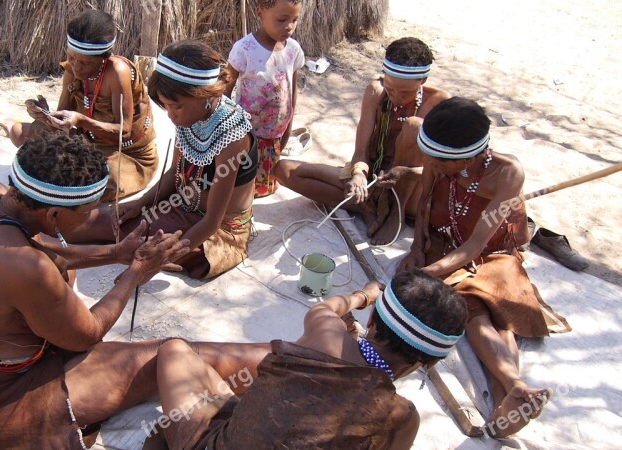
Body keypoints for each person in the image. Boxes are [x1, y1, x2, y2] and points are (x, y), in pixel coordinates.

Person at [0, 132, 270, 449]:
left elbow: (45, 249)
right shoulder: (27, 269)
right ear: (52, 216)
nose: (93, 220)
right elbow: (86, 336)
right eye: (87, 212)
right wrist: (134, 274)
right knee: (168, 356)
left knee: (64, 278)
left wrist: (115, 252)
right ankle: (287, 359)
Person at [397, 97, 571, 438]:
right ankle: (515, 388)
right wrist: (418, 248)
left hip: (493, 251)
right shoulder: (439, 155)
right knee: (472, 306)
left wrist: (425, 274)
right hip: (447, 243)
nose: (428, 162)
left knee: (499, 305)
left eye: (437, 159)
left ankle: (511, 392)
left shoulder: (508, 174)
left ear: (468, 157)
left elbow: (476, 246)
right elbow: (426, 202)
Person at [143, 269, 467, 450]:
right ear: (429, 363)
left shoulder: (325, 332)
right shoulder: (403, 417)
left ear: (371, 321)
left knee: (174, 350)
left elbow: (326, 308)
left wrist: (363, 295)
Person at [69, 40, 258, 280]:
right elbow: (173, 174)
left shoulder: (232, 134)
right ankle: (36, 242)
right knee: (106, 220)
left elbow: (212, 222)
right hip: (180, 204)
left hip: (218, 230)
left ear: (203, 96)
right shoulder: (191, 116)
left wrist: (160, 258)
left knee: (141, 247)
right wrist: (142, 203)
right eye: (165, 106)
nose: (170, 115)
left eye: (175, 107)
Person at [275, 37, 449, 244]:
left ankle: (396, 215)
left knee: (414, 126)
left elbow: (440, 170)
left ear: (423, 80)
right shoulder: (376, 91)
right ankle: (366, 206)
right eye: (391, 89)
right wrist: (358, 175)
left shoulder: (438, 102)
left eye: (405, 93)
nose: (396, 98)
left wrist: (402, 172)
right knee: (284, 170)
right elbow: (361, 151)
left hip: (409, 190)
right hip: (373, 178)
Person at [6, 9, 158, 202]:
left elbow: (124, 132)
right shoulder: (73, 69)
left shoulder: (118, 73)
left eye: (84, 63)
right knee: (18, 132)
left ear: (104, 59)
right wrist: (45, 115)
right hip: (85, 139)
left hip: (125, 153)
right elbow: (60, 125)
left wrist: (81, 120)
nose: (76, 67)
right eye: (71, 58)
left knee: (90, 183)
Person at [225, 0, 305, 198]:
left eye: (294, 19)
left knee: (265, 187)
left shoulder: (292, 50)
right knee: (241, 185)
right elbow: (225, 89)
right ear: (260, 12)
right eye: (282, 19)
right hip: (246, 133)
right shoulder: (245, 49)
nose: (289, 26)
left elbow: (292, 88)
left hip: (275, 133)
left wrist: (288, 125)